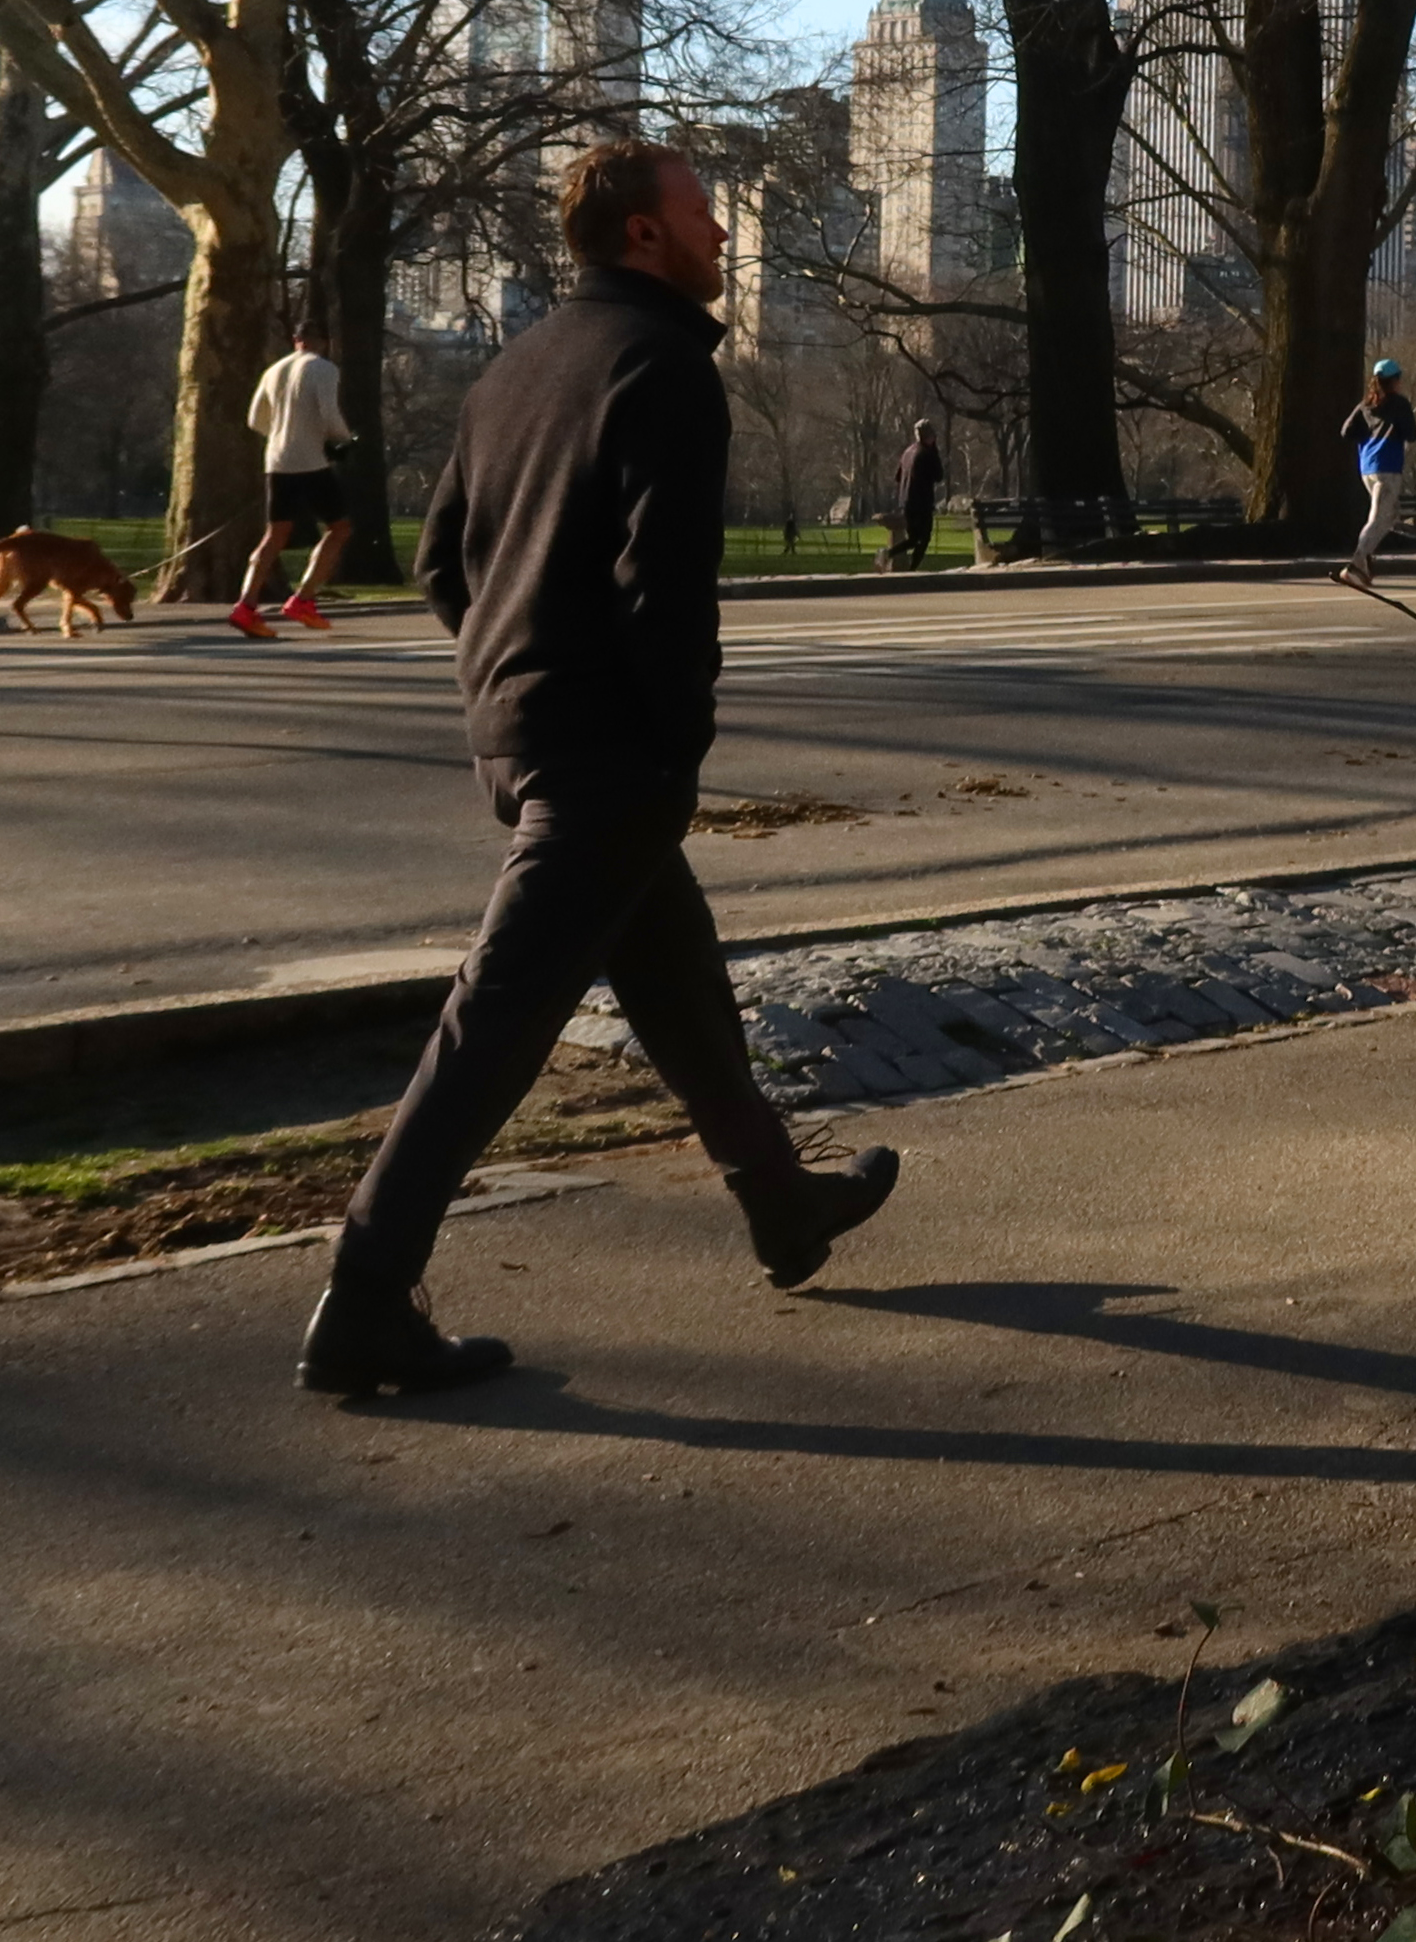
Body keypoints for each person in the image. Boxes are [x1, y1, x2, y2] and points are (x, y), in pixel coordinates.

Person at [298, 138, 898, 1398]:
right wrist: (673, 736)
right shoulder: (662, 364)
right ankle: (363, 1297)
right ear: (642, 232)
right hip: (607, 751)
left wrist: (510, 668)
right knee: (494, 1024)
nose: (720, 232)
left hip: (520, 734)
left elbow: (441, 562)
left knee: (675, 977)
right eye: (702, 212)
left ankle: (781, 1200)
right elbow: (662, 586)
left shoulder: (515, 366)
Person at [231, 319, 360, 636]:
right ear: (324, 342)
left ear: (295, 339)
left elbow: (255, 419)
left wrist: (280, 434)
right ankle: (303, 599)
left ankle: (245, 606)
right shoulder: (323, 368)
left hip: (277, 460)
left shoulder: (274, 370)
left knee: (274, 535)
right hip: (311, 461)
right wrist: (344, 440)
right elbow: (329, 413)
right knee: (340, 528)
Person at [1336, 359, 1416, 583]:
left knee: (1388, 516)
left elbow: (1346, 431)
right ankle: (1357, 563)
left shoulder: (1365, 405)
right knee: (1379, 518)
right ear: (1394, 380)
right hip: (1388, 467)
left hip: (1367, 468)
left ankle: (1365, 563)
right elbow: (1411, 434)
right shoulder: (1399, 404)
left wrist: (1367, 437)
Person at [884, 418, 945, 572]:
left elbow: (898, 477)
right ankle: (911, 568)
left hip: (906, 501)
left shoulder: (908, 452)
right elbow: (939, 475)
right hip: (922, 502)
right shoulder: (927, 453)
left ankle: (889, 554)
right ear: (929, 436)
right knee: (924, 538)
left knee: (913, 539)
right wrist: (934, 452)